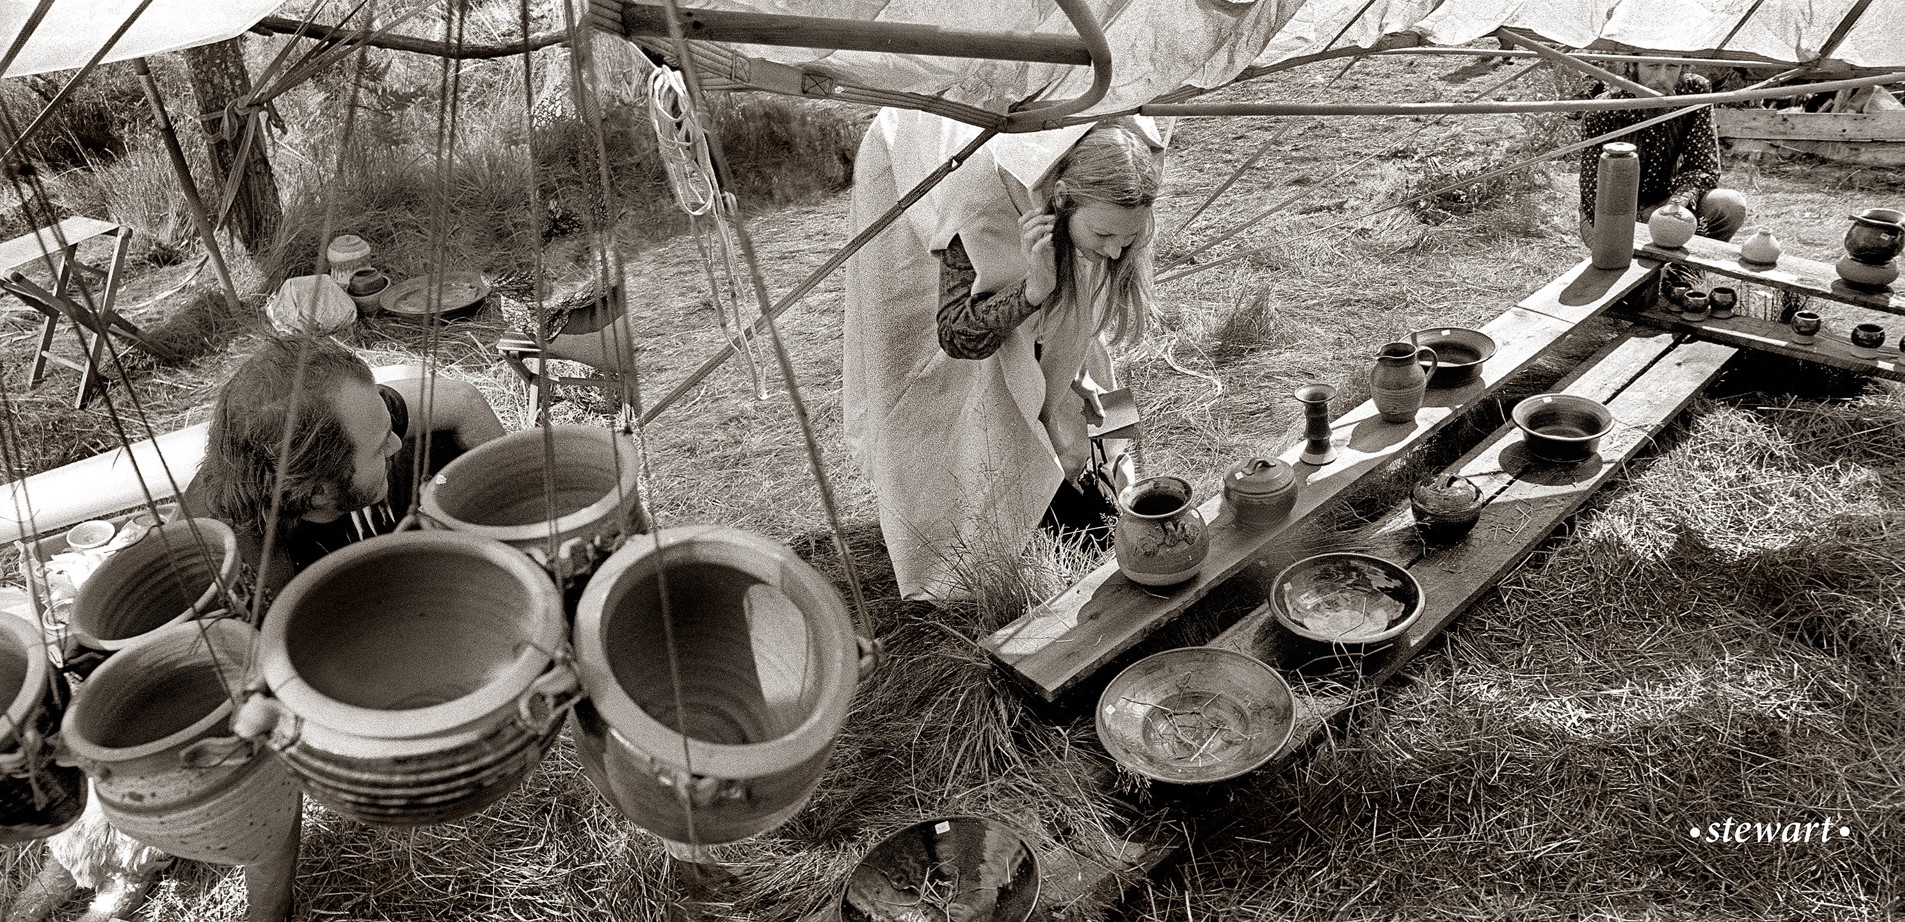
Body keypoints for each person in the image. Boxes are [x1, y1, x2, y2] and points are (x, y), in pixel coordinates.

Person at [843, 112, 1168, 602]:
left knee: (1101, 509)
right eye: (1104, 236)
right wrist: (1033, 291)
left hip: (1040, 283)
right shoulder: (977, 207)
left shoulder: (1118, 183)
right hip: (906, 160)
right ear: (1060, 200)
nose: (1116, 250)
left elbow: (1079, 307)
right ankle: (972, 531)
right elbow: (956, 339)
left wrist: (1066, 371)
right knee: (973, 419)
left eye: (1128, 237)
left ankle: (1083, 489)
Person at [182, 335, 505, 597]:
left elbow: (463, 402)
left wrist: (511, 513)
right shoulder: (243, 567)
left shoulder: (346, 413)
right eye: (380, 448)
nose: (395, 442)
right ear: (318, 491)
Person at [1578, 60, 1748, 247]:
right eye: (1652, 66)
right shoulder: (1604, 109)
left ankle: (1684, 271)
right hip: (1610, 213)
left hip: (1668, 203)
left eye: (1672, 67)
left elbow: (1703, 165)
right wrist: (1637, 222)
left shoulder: (1693, 93)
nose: (1662, 77)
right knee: (1625, 263)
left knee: (1729, 205)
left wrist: (1677, 202)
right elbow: (1593, 188)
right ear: (1634, 66)